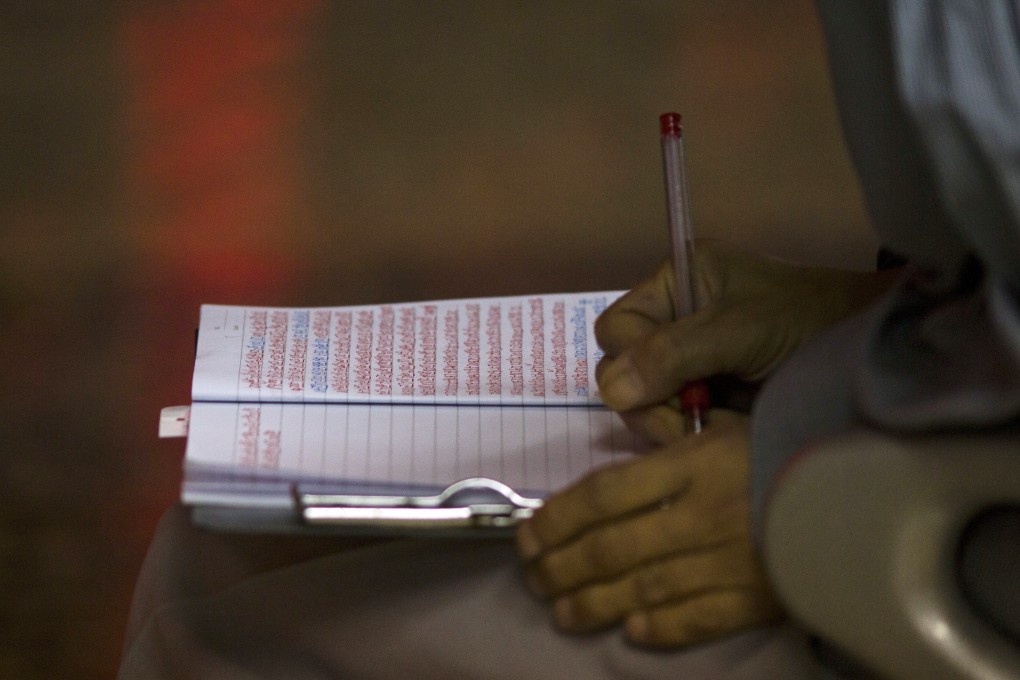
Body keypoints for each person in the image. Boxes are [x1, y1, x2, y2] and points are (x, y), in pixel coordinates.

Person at [118, 2, 1020, 678]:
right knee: (220, 542)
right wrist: (860, 309)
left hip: (958, 537)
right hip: (927, 406)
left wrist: (807, 502)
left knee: (225, 641)